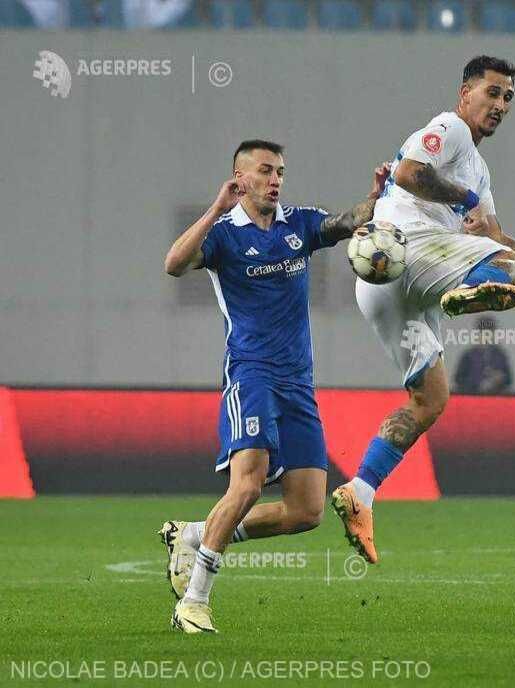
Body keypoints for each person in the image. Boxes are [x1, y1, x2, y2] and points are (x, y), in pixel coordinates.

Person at [331, 56, 515, 564]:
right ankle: (461, 299)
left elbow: (496, 240)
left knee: (430, 400)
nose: (499, 105)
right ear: (464, 93)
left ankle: (360, 493)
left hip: (384, 289)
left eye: (508, 98)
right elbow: (410, 174)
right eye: (492, 93)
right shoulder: (449, 129)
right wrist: (463, 197)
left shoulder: (481, 169)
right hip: (407, 249)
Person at [160, 139, 389, 633]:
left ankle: (196, 533)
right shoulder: (223, 235)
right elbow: (174, 264)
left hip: (298, 382)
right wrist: (216, 208)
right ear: (239, 179)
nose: (275, 179)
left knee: (307, 510)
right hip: (251, 374)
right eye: (265, 171)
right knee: (247, 484)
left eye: (280, 171)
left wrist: (373, 198)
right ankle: (194, 602)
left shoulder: (298, 224)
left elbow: (348, 223)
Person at [452, 317, 514, 394]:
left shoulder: (500, 355)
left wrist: (500, 378)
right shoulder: (468, 356)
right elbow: (459, 380)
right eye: (484, 332)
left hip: (496, 399)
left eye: (490, 332)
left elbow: (509, 380)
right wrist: (478, 383)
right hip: (473, 399)